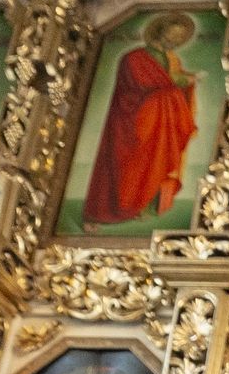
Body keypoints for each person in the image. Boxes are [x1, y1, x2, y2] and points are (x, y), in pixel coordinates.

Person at [82, 12, 201, 228]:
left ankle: (145, 205)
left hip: (159, 125)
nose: (175, 41)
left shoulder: (173, 60)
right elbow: (140, 89)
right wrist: (177, 85)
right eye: (172, 35)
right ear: (160, 31)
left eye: (180, 38)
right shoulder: (134, 58)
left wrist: (185, 83)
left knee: (155, 162)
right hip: (132, 123)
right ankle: (109, 211)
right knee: (127, 169)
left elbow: (170, 82)